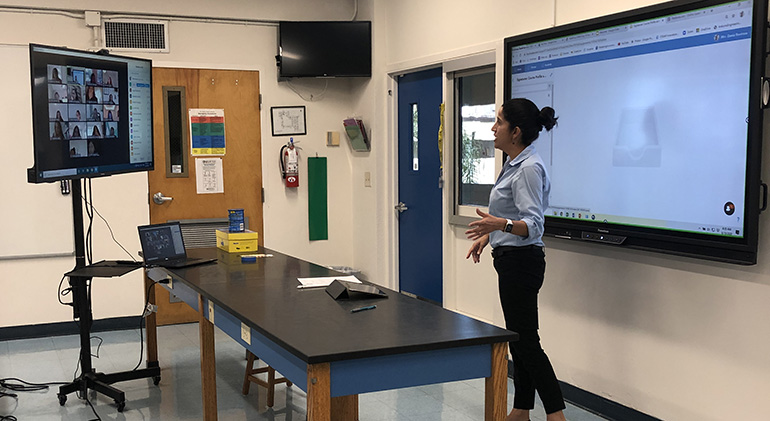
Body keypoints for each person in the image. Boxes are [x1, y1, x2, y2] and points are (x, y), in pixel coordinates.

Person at [465, 98, 566, 421]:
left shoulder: (528, 169)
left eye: (499, 123)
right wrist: (488, 235)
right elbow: (509, 218)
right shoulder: (513, 163)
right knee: (518, 340)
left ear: (516, 131)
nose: (493, 129)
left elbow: (533, 225)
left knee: (526, 343)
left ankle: (556, 414)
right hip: (510, 258)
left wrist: (499, 225)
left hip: (523, 262)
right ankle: (521, 409)